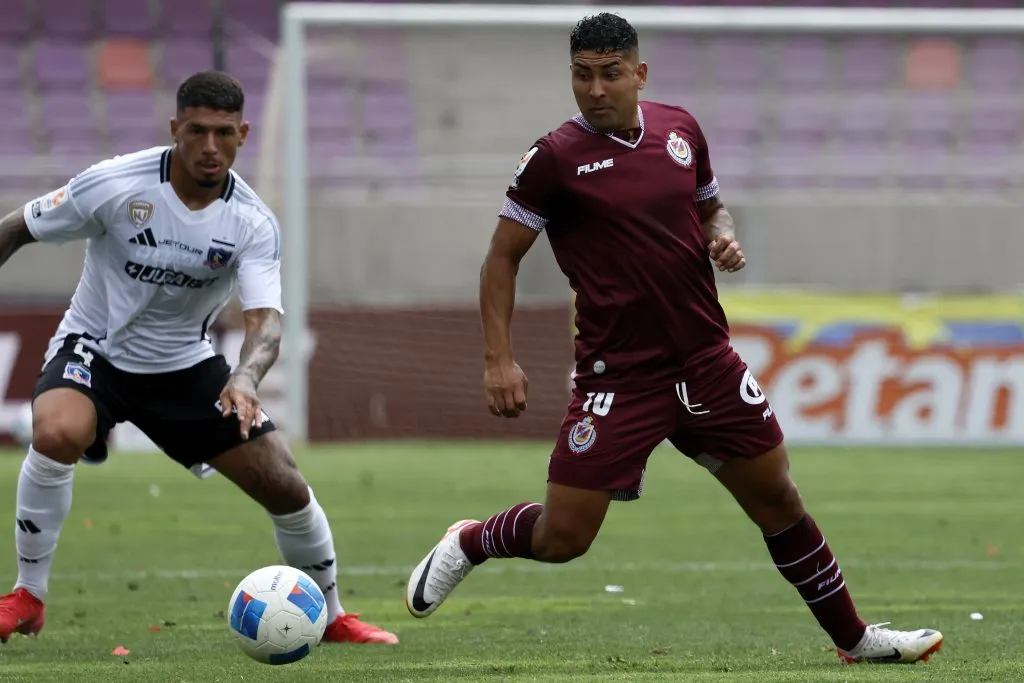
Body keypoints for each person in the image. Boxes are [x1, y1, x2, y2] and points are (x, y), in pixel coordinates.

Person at [405, 14, 943, 664]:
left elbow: (711, 204)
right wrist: (499, 359)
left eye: (609, 74)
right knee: (563, 536)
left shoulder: (680, 129)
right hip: (620, 376)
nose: (595, 88)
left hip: (706, 362)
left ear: (639, 73)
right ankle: (470, 540)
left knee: (778, 497)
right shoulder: (553, 159)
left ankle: (855, 638)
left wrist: (721, 232)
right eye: (582, 75)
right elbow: (500, 259)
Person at [0, 71, 397, 646]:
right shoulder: (113, 184)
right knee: (58, 430)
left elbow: (265, 322)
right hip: (95, 348)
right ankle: (27, 596)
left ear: (244, 134)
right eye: (196, 131)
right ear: (174, 129)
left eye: (224, 134)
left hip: (186, 366)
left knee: (283, 482)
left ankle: (331, 615)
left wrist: (245, 375)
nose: (210, 147)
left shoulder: (252, 222)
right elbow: (17, 227)